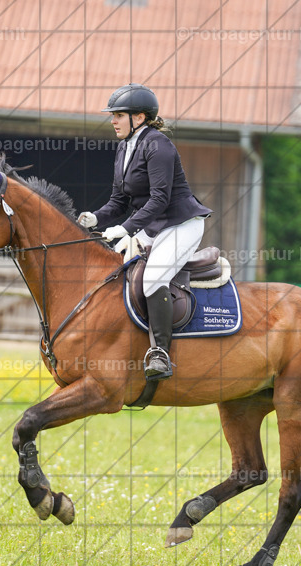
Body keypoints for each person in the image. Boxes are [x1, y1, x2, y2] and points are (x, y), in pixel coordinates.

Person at [77, 83, 212, 381]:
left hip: (181, 225)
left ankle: (160, 353)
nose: (112, 120)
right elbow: (119, 200)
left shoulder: (158, 145)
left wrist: (126, 229)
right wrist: (94, 218)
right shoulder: (124, 147)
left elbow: (160, 199)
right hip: (153, 225)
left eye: (118, 115)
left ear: (138, 117)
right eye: (112, 115)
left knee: (152, 278)